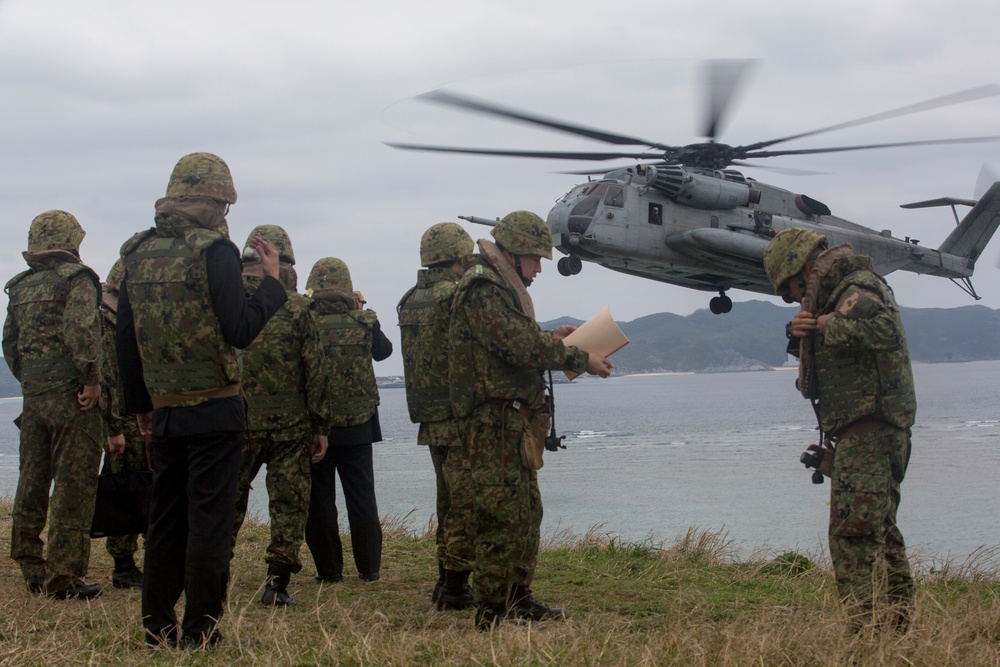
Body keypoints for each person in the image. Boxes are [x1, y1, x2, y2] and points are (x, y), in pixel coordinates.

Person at [116, 152, 287, 649]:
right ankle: (200, 631)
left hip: (166, 410)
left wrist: (142, 404)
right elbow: (240, 329)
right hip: (216, 408)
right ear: (215, 203)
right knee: (208, 524)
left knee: (165, 521)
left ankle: (156, 627)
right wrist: (271, 285)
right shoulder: (215, 251)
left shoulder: (137, 252)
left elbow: (126, 336)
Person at [448, 211, 613, 630]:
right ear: (514, 252)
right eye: (535, 259)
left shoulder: (499, 286)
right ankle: (491, 610)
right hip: (491, 421)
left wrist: (552, 339)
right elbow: (518, 345)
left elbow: (516, 341)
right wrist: (580, 359)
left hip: (509, 420)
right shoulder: (483, 287)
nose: (539, 269)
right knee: (500, 516)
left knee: (525, 512)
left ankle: (517, 597)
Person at [763, 227, 916, 630]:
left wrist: (825, 326)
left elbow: (886, 331)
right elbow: (821, 372)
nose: (791, 297)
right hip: (865, 433)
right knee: (880, 532)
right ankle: (898, 629)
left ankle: (865, 635)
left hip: (871, 432)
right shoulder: (833, 298)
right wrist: (800, 335)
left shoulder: (856, 288)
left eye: (788, 289)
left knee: (853, 538)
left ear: (803, 269)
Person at [3, 210, 104, 600]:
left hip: (35, 396)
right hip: (71, 397)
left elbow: (10, 344)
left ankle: (31, 565)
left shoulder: (21, 287)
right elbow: (79, 329)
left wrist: (32, 381)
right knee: (72, 486)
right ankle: (63, 577)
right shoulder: (77, 280)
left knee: (31, 479)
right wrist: (91, 379)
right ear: (71, 241)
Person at [231, 225, 329, 607]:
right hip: (290, 425)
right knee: (289, 503)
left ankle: (212, 573)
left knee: (227, 499)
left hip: (236, 420)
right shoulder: (298, 308)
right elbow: (315, 371)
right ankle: (277, 583)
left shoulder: (226, 301)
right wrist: (320, 425)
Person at [397, 222, 476, 610]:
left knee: (447, 502)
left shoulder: (410, 299)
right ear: (460, 255)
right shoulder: (457, 296)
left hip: (430, 417)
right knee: (465, 504)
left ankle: (445, 580)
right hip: (460, 416)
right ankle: (456, 587)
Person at [305, 258, 392, 583]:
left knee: (319, 501)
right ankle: (369, 568)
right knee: (361, 498)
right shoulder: (363, 321)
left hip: (316, 426)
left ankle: (329, 571)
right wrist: (362, 308)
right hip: (358, 425)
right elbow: (383, 352)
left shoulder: (304, 322)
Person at [99, 258, 149, 589]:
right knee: (124, 489)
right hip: (124, 418)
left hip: (136, 415)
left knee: (140, 486)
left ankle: (136, 559)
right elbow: (107, 377)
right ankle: (123, 563)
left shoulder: (120, 316)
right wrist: (113, 427)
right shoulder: (106, 321)